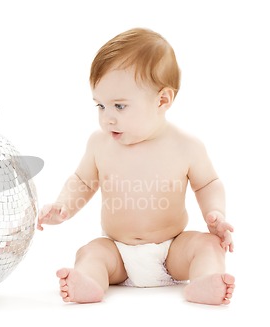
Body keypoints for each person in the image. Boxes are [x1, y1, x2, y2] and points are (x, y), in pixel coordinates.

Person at [37, 28, 235, 305]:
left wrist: (215, 213)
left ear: (162, 100)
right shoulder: (99, 144)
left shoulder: (185, 146)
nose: (108, 119)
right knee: (91, 251)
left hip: (173, 251)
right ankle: (89, 281)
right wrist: (63, 207)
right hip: (118, 252)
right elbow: (82, 181)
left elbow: (207, 183)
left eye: (119, 106)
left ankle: (205, 281)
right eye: (100, 106)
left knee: (208, 246)